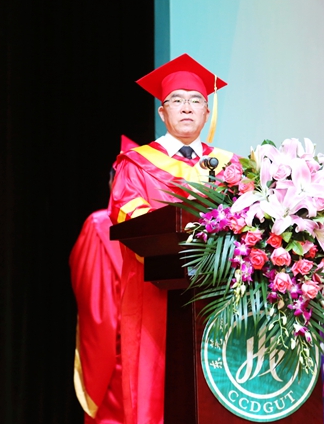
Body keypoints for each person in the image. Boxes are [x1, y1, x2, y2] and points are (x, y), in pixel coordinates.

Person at [108, 54, 239, 424]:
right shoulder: (136, 164)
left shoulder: (229, 166)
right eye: (177, 100)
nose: (187, 107)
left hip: (218, 290)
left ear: (207, 112)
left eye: (196, 100)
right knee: (155, 381)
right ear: (162, 112)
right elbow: (127, 213)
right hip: (155, 288)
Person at [71, 136, 138, 424]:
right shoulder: (163, 227)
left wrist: (93, 386)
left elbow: (100, 317)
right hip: (158, 367)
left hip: (120, 372)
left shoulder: (102, 226)